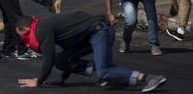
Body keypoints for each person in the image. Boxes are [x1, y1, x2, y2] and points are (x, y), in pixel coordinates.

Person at [15, 12, 168, 93]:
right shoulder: (45, 26)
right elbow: (64, 55)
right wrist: (62, 79)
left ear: (26, 29)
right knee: (61, 61)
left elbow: (48, 58)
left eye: (21, 35)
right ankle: (111, 72)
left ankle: (149, 78)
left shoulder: (42, 29)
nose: (23, 40)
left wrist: (38, 81)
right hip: (91, 36)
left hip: (100, 32)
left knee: (104, 72)